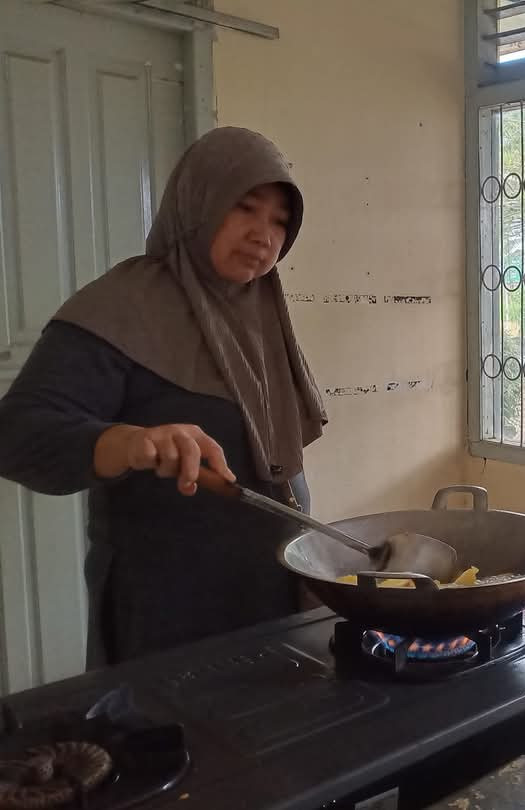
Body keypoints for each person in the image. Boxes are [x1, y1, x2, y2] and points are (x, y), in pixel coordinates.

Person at [0, 127, 327, 666]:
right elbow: (17, 434)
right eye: (245, 208)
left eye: (279, 221)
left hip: (271, 591)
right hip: (166, 610)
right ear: (198, 202)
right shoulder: (123, 306)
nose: (263, 235)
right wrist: (127, 442)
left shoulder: (262, 311)